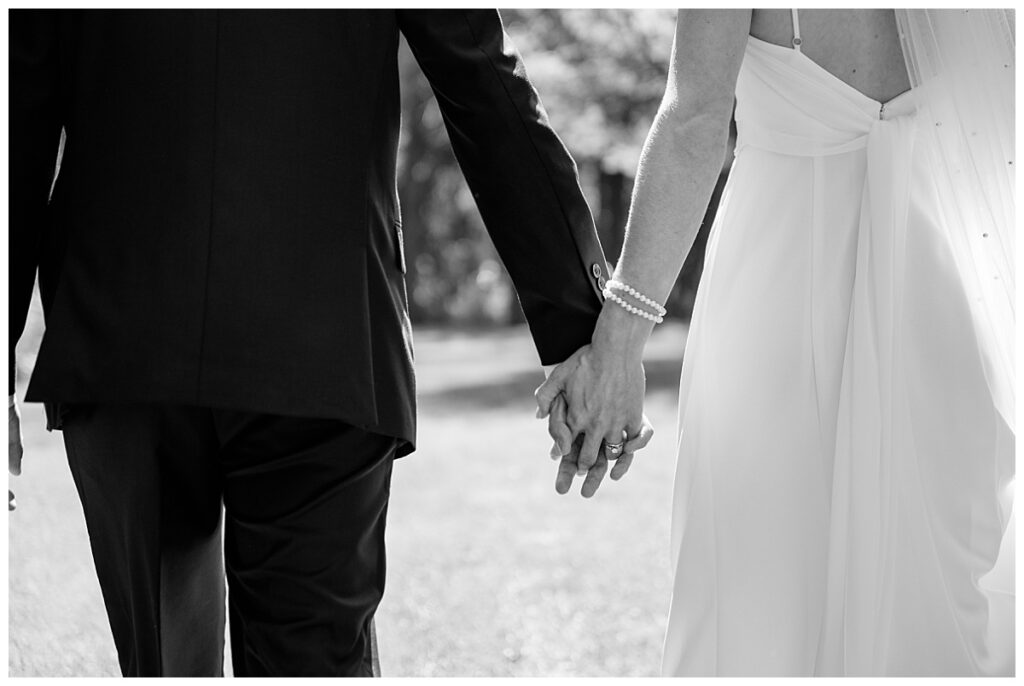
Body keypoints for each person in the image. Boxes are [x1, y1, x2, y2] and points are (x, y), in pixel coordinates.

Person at [9, 10, 653, 677]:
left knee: (165, 661)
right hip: (322, 327)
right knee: (312, 659)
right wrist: (585, 336)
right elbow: (480, 74)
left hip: (126, 324)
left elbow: (18, 99)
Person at [537, 8, 1014, 676]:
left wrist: (617, 344)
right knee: (928, 575)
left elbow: (697, 120)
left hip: (779, 290)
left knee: (759, 587)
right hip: (937, 290)